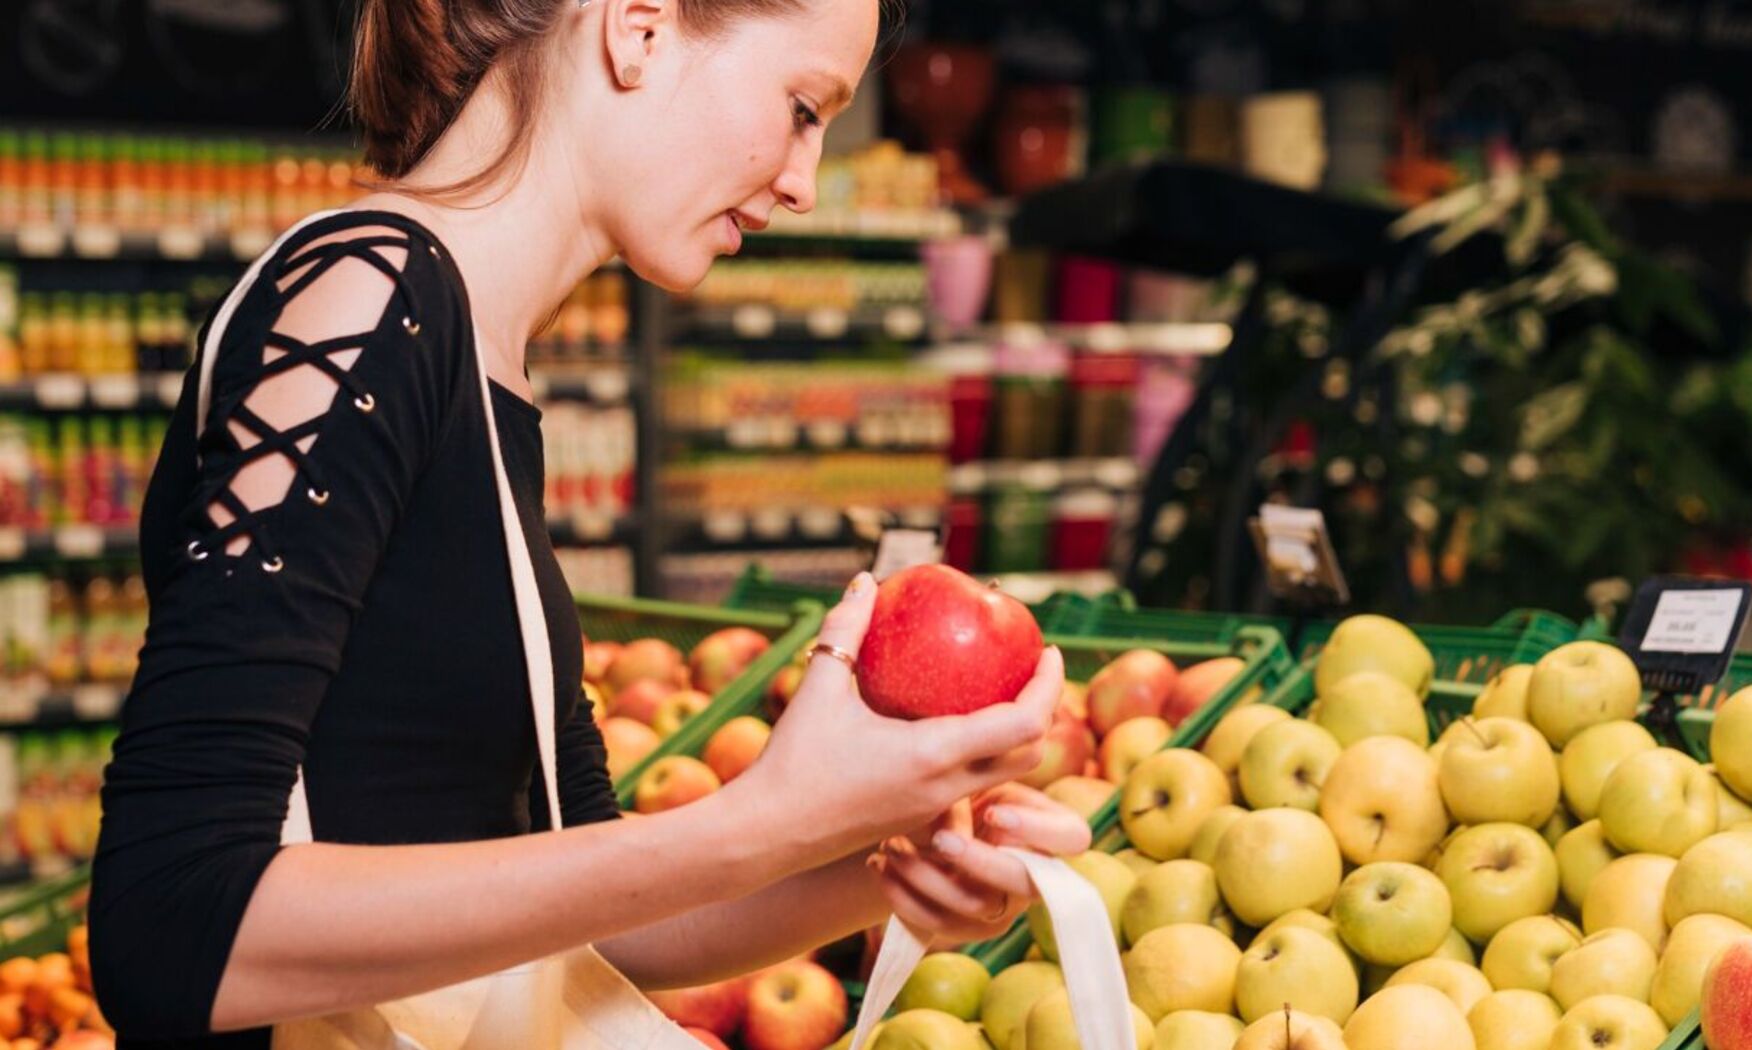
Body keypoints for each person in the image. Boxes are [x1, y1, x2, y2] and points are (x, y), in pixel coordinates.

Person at [88, 0, 1089, 1044]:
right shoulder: (368, 294)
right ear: (639, 27)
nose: (802, 178)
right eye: (802, 107)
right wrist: (762, 822)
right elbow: (169, 926)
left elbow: (598, 910)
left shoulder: (484, 362)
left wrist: (892, 866)